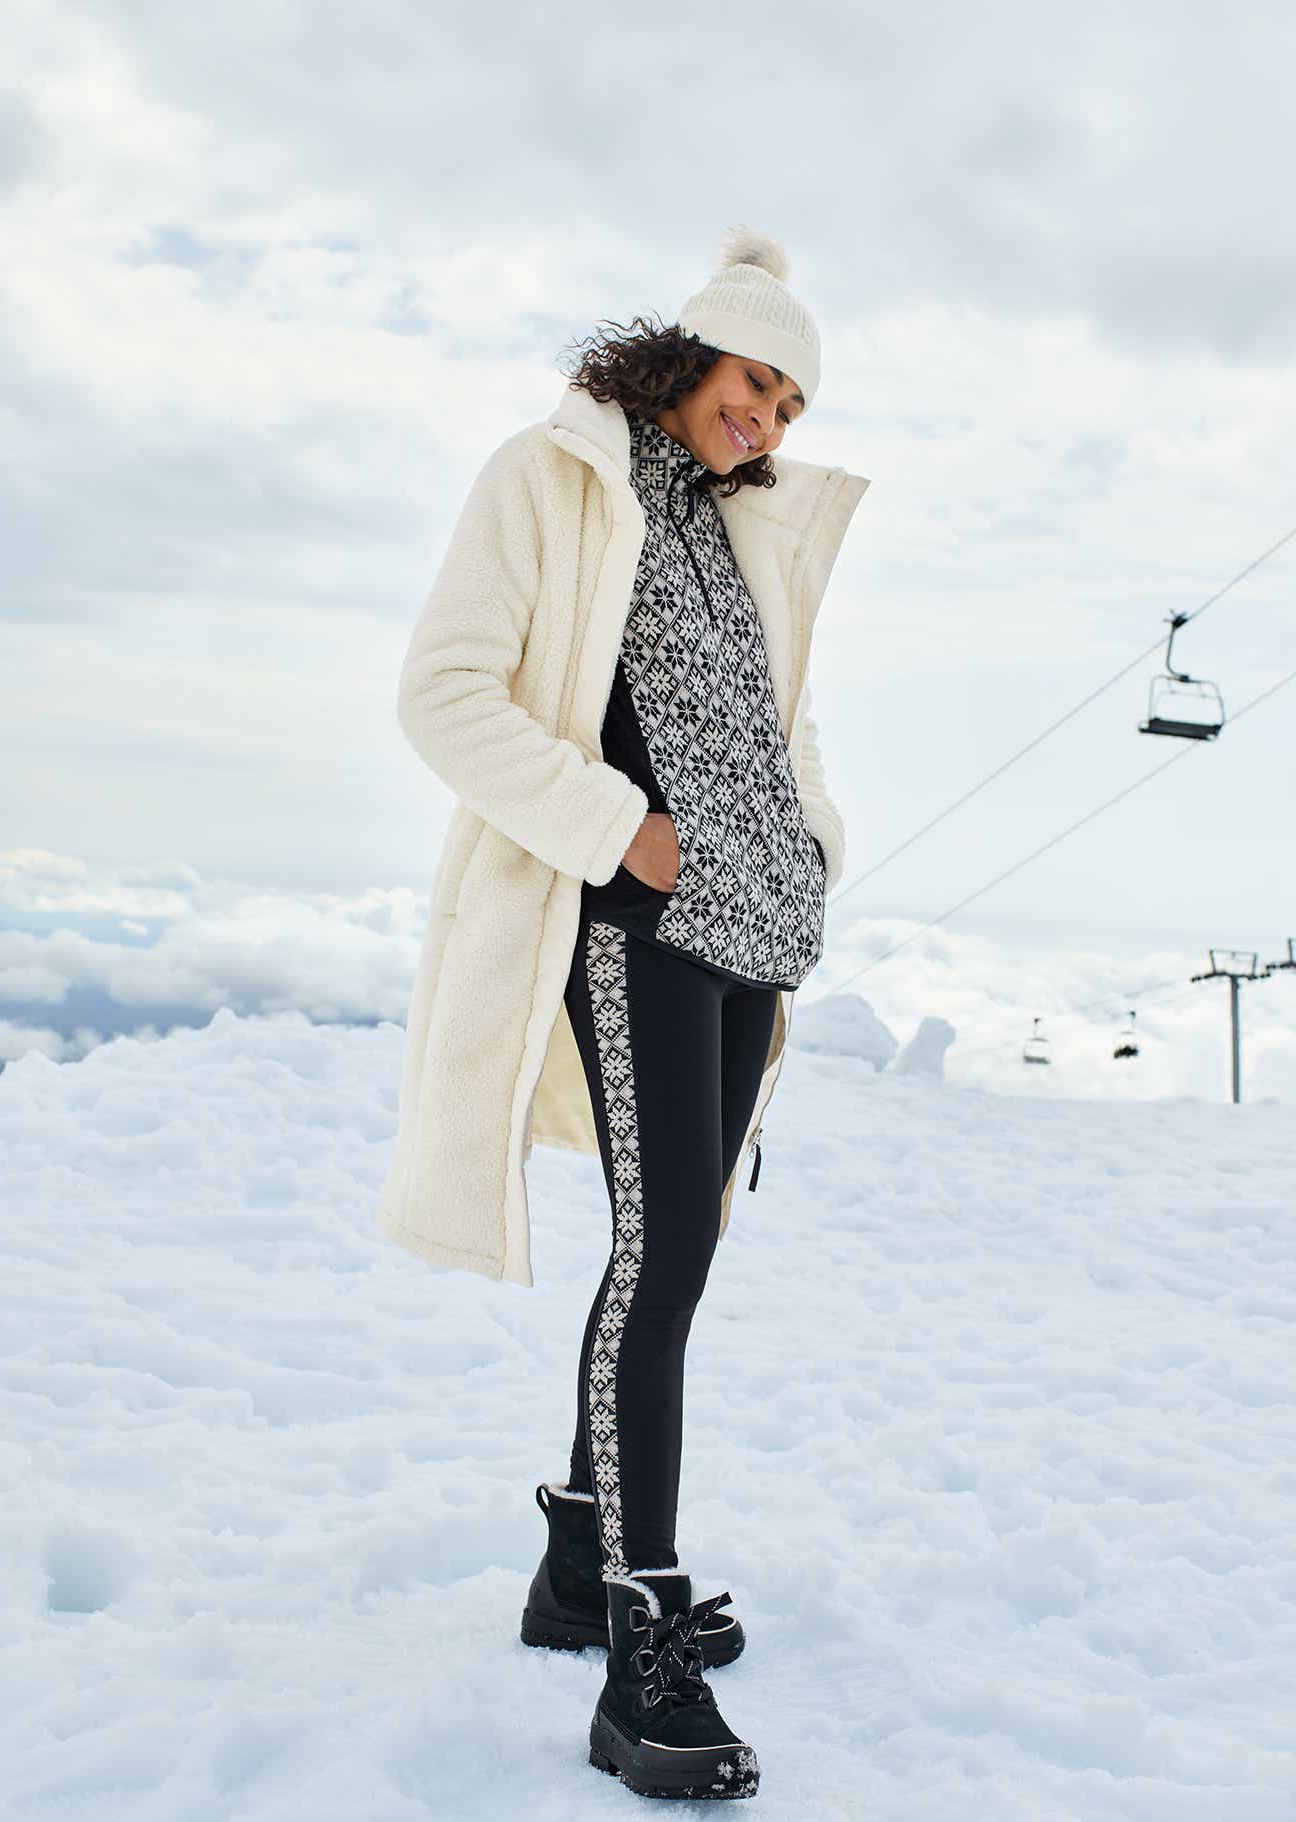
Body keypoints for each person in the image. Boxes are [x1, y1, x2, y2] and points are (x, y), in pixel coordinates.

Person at [375, 226, 870, 1800]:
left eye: (792, 403)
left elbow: (769, 719)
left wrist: (807, 844)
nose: (769, 422)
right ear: (684, 361)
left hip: (748, 922)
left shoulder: (744, 529)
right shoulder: (550, 477)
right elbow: (445, 691)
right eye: (752, 383)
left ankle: (576, 1565)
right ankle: (632, 1644)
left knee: (685, 1244)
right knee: (660, 1249)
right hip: (630, 910)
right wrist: (618, 831)